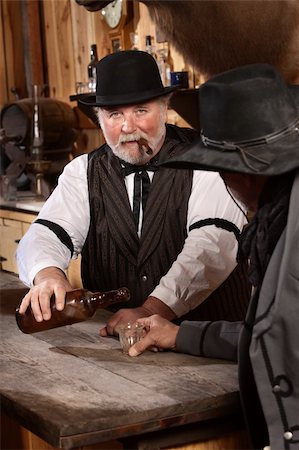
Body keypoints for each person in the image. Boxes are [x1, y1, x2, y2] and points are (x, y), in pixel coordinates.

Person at [16, 50, 249, 335]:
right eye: (114, 114)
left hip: (209, 340)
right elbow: (45, 234)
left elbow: (212, 245)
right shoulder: (82, 172)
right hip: (119, 346)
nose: (128, 127)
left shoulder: (207, 160)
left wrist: (152, 309)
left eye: (140, 110)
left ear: (165, 107)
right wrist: (48, 274)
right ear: (99, 119)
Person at [127, 64, 299, 450]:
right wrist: (179, 335)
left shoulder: (288, 229)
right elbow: (275, 334)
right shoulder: (279, 220)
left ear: (245, 175)